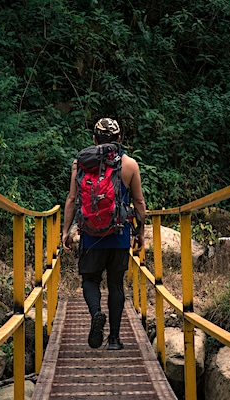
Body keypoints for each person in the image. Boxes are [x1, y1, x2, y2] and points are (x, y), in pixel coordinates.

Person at [62, 117, 146, 350]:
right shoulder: (130, 165)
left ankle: (96, 313)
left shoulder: (79, 164)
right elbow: (138, 201)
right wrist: (140, 233)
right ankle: (115, 340)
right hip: (119, 234)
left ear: (94, 139)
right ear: (119, 139)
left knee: (90, 280)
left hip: (90, 234)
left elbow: (72, 199)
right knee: (116, 285)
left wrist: (66, 231)